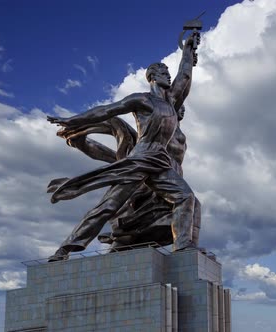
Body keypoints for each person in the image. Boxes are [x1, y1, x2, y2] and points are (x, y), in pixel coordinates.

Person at [46, 32, 200, 262]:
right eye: (164, 72)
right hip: (140, 159)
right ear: (152, 77)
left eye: (169, 73)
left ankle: (183, 246)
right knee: (108, 206)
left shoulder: (171, 103)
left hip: (159, 162)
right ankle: (64, 251)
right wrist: (74, 120)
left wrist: (188, 50)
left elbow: (185, 76)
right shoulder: (142, 100)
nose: (169, 76)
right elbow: (106, 111)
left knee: (186, 198)